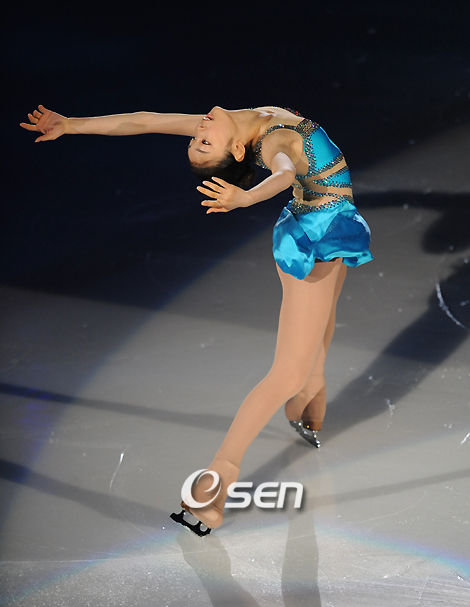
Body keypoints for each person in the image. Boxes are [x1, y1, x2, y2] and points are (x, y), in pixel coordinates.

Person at [21, 104, 373, 535]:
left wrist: (72, 124)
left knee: (325, 315)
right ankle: (218, 478)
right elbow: (283, 172)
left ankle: (309, 397)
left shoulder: (240, 123)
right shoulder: (274, 141)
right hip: (315, 236)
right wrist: (247, 196)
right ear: (239, 150)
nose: (198, 132)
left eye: (197, 141)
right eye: (202, 142)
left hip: (329, 222)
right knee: (288, 371)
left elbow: (146, 121)